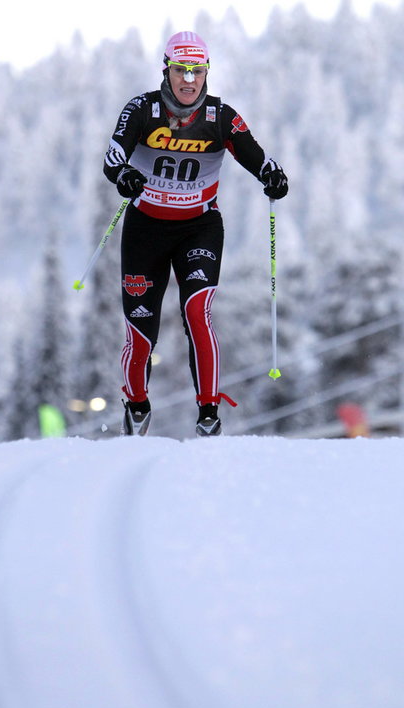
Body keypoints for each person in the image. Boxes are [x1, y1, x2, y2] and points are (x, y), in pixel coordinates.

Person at [103, 30, 288, 437]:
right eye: (181, 70)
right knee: (140, 331)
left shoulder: (221, 117)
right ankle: (136, 405)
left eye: (198, 71)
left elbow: (256, 155)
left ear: (207, 72)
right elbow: (113, 154)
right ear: (166, 71)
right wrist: (124, 175)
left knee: (196, 312)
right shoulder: (142, 109)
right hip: (145, 229)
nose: (189, 80)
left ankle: (209, 413)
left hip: (198, 228)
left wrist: (272, 175)